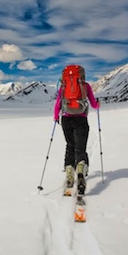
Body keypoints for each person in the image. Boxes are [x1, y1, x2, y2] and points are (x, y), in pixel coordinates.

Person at [53, 67, 100, 195]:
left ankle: (69, 173)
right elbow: (93, 104)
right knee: (80, 149)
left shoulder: (63, 87)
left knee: (70, 146)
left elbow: (58, 104)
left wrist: (56, 116)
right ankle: (80, 171)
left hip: (66, 120)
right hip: (81, 119)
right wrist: (98, 105)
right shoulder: (85, 86)